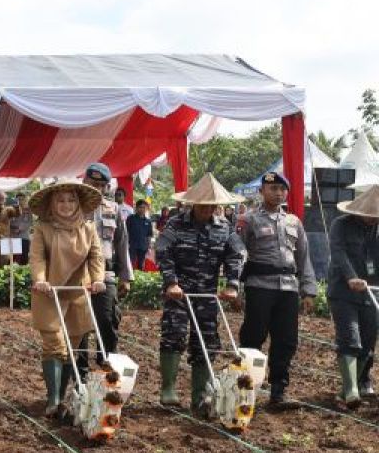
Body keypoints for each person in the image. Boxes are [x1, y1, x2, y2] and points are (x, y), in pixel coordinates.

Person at [153, 175, 246, 410]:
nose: (208, 208)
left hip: (207, 294)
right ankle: (168, 390)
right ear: (193, 203)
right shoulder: (175, 224)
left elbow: (235, 256)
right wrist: (171, 282)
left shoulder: (224, 228)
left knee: (206, 340)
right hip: (179, 293)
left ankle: (199, 396)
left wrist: (232, 285)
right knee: (174, 334)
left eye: (212, 204)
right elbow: (163, 252)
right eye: (203, 204)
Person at [237, 172, 317, 409]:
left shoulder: (294, 222)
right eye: (273, 188)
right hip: (259, 285)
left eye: (282, 189)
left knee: (286, 339)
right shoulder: (248, 220)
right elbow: (239, 254)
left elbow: (304, 258)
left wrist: (309, 290)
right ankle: (245, 386)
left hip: (288, 289)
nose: (278, 193)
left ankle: (278, 390)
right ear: (262, 191)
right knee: (253, 335)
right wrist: (237, 286)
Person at [27, 181, 104, 416]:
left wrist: (98, 279)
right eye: (60, 200)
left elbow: (96, 257)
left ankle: (62, 399)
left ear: (78, 203)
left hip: (79, 292)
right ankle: (53, 399)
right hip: (49, 292)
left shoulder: (88, 228)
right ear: (52, 204)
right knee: (54, 345)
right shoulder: (43, 228)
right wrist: (40, 279)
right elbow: (37, 257)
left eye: (71, 200)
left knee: (72, 348)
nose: (66, 205)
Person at [79, 163, 133, 379]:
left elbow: (122, 244)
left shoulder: (114, 209)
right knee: (80, 325)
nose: (97, 189)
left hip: (106, 274)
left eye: (102, 185)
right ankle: (80, 376)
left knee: (108, 320)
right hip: (79, 273)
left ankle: (106, 368)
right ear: (85, 182)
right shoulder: (73, 207)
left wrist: (125, 277)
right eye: (93, 184)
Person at [328, 185, 379, 408]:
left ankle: (347, 391)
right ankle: (351, 392)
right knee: (351, 338)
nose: (372, 219)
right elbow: (338, 253)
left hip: (372, 292)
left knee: (367, 343)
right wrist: (351, 277)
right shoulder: (341, 225)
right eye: (369, 215)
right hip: (343, 291)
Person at [126, 199, 154, 270]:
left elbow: (149, 235)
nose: (142, 209)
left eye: (144, 207)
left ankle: (139, 278)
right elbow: (126, 232)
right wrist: (126, 243)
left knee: (141, 265)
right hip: (132, 245)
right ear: (136, 208)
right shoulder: (130, 218)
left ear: (146, 209)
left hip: (143, 246)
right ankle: (130, 279)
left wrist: (149, 246)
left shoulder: (148, 221)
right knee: (130, 264)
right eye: (140, 207)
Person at [8, 195, 34, 266]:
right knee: (11, 261)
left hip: (23, 237)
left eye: (22, 199)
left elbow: (28, 222)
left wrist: (19, 229)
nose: (20, 201)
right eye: (18, 199)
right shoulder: (11, 209)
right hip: (12, 237)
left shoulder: (28, 210)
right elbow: (8, 221)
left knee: (23, 261)